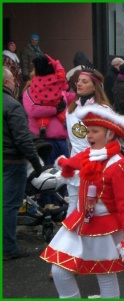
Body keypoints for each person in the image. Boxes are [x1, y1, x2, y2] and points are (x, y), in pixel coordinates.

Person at [40, 103, 124, 298]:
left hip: (103, 226)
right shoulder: (89, 155)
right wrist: (65, 166)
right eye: (88, 131)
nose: (89, 136)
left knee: (104, 275)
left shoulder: (119, 166)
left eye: (95, 131)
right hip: (79, 221)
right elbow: (74, 161)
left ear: (110, 134)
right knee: (60, 270)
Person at [3, 66, 42, 260]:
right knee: (9, 206)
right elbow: (22, 138)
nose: (14, 83)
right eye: (12, 81)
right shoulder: (11, 104)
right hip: (11, 161)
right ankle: (8, 248)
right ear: (6, 83)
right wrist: (36, 162)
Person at [65, 68, 111, 216]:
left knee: (95, 210)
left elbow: (109, 140)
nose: (79, 84)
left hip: (96, 166)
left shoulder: (103, 110)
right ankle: (69, 238)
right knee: (73, 206)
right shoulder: (71, 109)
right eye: (78, 81)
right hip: (75, 164)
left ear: (94, 86)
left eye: (84, 81)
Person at [23, 54, 69, 138]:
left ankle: (43, 126)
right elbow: (33, 110)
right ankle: (64, 121)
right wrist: (56, 109)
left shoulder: (34, 84)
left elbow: (70, 96)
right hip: (42, 141)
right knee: (60, 113)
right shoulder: (57, 82)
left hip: (61, 138)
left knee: (43, 117)